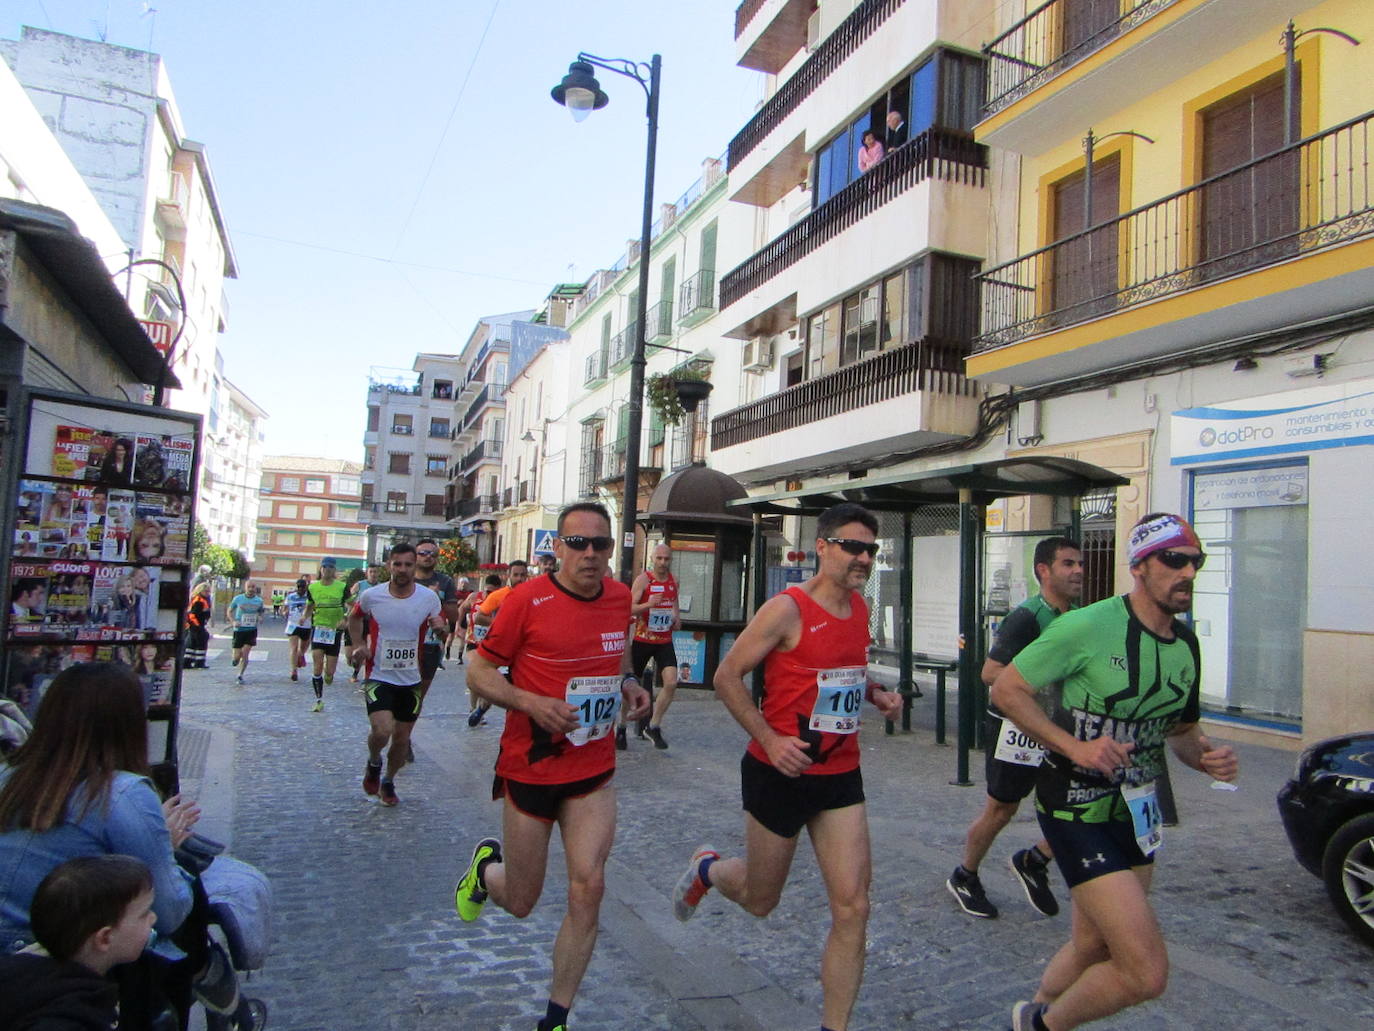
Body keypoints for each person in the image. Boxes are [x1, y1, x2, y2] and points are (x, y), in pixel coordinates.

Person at [990, 513, 1239, 1031]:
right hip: (1074, 806)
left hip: (1137, 810)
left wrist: (1206, 756)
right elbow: (1006, 689)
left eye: (1196, 562)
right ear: (1140, 566)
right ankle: (1045, 1026)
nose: (1188, 572)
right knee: (1144, 972)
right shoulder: (1086, 625)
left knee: (1092, 943)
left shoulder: (1186, 645)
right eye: (1174, 560)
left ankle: (1032, 1011)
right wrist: (1073, 748)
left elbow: (1182, 734)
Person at [669, 502, 901, 1031]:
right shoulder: (787, 609)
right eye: (853, 546)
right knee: (759, 899)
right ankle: (707, 868)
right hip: (779, 772)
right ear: (823, 547)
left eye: (871, 549)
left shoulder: (860, 608)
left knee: (854, 907)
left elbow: (839, 673)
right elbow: (728, 676)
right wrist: (771, 740)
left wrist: (874, 694)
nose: (863, 557)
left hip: (840, 773)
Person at [453, 503, 649, 1031]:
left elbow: (620, 651)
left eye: (601, 544)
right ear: (557, 547)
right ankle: (484, 872)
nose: (590, 554)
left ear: (611, 549)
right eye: (578, 543)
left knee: (589, 886)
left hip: (592, 769)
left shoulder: (617, 597)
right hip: (531, 767)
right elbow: (478, 670)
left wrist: (629, 683)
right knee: (521, 899)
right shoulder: (526, 600)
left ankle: (555, 1019)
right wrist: (529, 702)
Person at [0, 663, 215, 1028]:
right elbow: (167, 908)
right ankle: (201, 982)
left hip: (16, 958)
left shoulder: (9, 777)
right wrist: (169, 845)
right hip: (68, 958)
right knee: (183, 892)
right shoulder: (121, 793)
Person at [949, 537, 1083, 920]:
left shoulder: (1075, 616)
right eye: (1068, 564)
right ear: (1044, 570)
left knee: (1076, 804)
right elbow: (990, 672)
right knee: (1002, 808)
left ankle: (1034, 860)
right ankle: (965, 875)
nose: (1078, 571)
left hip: (1056, 726)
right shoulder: (1026, 617)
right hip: (1015, 728)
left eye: (1080, 563)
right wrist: (1039, 679)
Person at [0, 854, 154, 1030]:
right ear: (104, 938)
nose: (153, 918)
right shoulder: (71, 1016)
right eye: (144, 914)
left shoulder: (18, 972)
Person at [345, 544, 445, 806]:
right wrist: (359, 644)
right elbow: (354, 618)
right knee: (382, 730)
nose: (402, 570)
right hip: (379, 675)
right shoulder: (372, 596)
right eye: (397, 564)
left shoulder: (428, 599)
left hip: (411, 680)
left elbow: (442, 630)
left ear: (415, 567)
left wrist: (441, 628)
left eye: (408, 565)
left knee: (401, 739)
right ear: (389, 565)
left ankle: (388, 779)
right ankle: (374, 761)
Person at [619, 543, 681, 751]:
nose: (663, 563)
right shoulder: (644, 580)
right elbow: (629, 608)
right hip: (643, 640)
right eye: (659, 559)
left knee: (671, 683)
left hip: (664, 640)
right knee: (631, 686)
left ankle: (654, 725)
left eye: (667, 559)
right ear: (652, 559)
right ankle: (621, 726)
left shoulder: (674, 581)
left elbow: (674, 603)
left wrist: (677, 619)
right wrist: (649, 604)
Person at [466, 560, 529, 727]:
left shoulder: (532, 595)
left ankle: (515, 722)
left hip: (523, 651)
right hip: (501, 649)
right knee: (497, 686)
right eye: (516, 575)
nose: (520, 578)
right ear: (509, 576)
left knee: (519, 687)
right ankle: (480, 709)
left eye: (523, 575)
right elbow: (479, 617)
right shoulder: (498, 596)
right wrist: (500, 623)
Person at [413, 538, 461, 704]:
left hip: (431, 642)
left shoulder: (445, 581)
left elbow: (452, 611)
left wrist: (449, 630)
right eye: (423, 553)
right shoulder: (406, 578)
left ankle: (406, 726)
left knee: (419, 695)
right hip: (407, 640)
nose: (428, 557)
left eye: (433, 554)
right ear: (415, 556)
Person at [304, 558, 350, 713]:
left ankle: (328, 675)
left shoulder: (342, 587)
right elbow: (310, 605)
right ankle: (318, 699)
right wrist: (304, 617)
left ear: (334, 570)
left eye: (331, 567)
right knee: (317, 666)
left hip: (334, 631)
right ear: (320, 569)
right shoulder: (313, 587)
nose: (327, 570)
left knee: (329, 671)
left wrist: (346, 619)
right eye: (325, 567)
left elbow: (351, 605)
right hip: (318, 629)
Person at [456, 573, 502, 723]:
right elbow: (462, 608)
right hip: (473, 641)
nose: (490, 595)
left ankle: (480, 710)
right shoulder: (474, 597)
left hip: (491, 644)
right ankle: (472, 708)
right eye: (488, 591)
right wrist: (459, 625)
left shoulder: (503, 600)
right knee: (476, 672)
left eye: (493, 592)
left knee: (486, 679)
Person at [347, 565, 382, 682]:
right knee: (358, 648)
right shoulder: (360, 585)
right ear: (367, 573)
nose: (373, 574)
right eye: (371, 571)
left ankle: (365, 675)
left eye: (375, 572)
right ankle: (356, 669)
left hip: (374, 620)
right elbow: (349, 600)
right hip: (359, 619)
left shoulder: (381, 587)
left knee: (372, 647)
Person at [225, 582, 265, 685]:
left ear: (256, 588)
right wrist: (233, 621)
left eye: (253, 587)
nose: (251, 589)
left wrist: (260, 617)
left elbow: (261, 612)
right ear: (245, 588)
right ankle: (235, 659)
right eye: (249, 587)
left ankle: (240, 674)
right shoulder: (238, 598)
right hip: (239, 630)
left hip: (251, 630)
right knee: (237, 656)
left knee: (246, 653)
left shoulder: (259, 601)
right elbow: (229, 611)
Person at [284, 578, 312, 682]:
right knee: (294, 648)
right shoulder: (291, 596)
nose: (300, 589)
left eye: (303, 587)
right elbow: (285, 608)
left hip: (306, 625)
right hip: (293, 624)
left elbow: (313, 608)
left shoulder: (310, 597)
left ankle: (300, 656)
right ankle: (294, 671)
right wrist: (285, 612)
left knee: (302, 649)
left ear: (306, 587)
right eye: (298, 587)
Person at [184, 582, 212, 669]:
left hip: (198, 625)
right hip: (196, 625)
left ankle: (188, 662)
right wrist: (197, 626)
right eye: (206, 591)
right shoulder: (198, 600)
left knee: (192, 644)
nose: (208, 593)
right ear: (201, 591)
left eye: (208, 591)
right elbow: (192, 614)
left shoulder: (202, 599)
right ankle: (198, 663)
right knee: (200, 643)